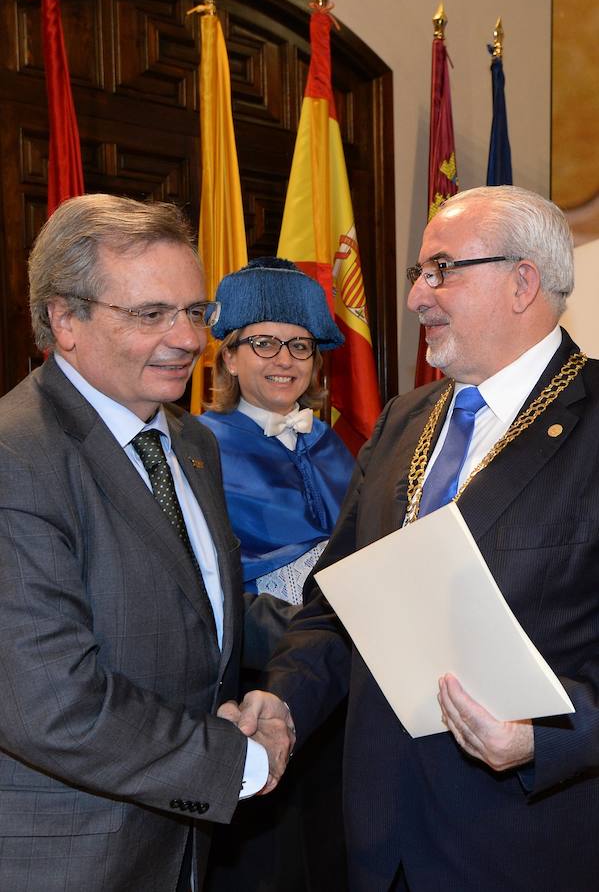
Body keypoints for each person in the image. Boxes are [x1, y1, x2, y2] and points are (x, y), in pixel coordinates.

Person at [222, 186, 599, 891]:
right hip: (376, 838)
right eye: (416, 275)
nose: (416, 297)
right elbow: (335, 604)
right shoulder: (402, 420)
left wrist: (543, 739)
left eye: (442, 270)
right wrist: (282, 701)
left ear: (522, 281)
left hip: (526, 845)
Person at [0, 194, 293, 892]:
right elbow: (50, 704)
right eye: (150, 314)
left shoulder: (190, 441)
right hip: (70, 861)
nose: (190, 339)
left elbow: (197, 621)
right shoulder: (17, 458)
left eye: (195, 311)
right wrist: (239, 762)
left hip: (181, 848)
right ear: (65, 321)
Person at [201, 257, 355, 890]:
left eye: (299, 345)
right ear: (229, 358)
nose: (284, 359)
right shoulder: (199, 446)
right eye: (263, 342)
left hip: (339, 681)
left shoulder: (335, 443)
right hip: (255, 678)